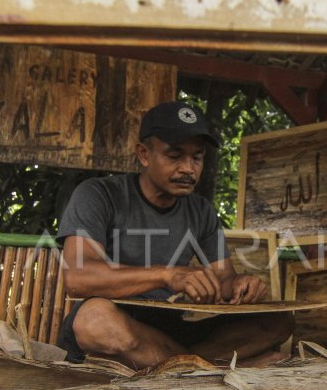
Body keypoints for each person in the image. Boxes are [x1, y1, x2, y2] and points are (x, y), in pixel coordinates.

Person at [56, 101, 293, 369]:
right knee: (95, 321)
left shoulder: (200, 210)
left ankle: (186, 366)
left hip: (166, 332)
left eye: (197, 157)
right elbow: (79, 277)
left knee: (278, 321)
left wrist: (241, 284)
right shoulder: (99, 195)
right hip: (119, 324)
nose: (188, 169)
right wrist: (168, 274)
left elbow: (224, 279)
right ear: (144, 154)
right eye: (174, 156)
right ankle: (216, 368)